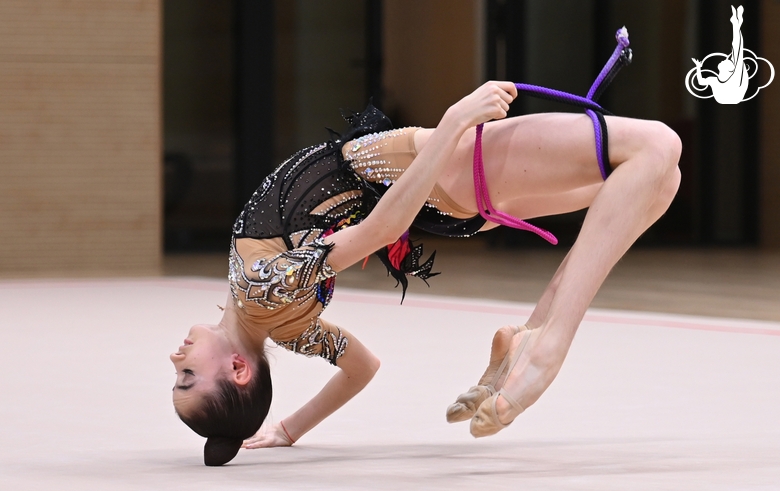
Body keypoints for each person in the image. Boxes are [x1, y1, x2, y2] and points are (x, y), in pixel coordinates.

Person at [170, 31, 681, 465]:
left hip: (448, 202)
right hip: (440, 171)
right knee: (659, 146)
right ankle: (551, 344)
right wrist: (457, 120)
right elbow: (380, 229)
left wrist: (289, 429)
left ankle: (529, 331)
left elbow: (362, 366)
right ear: (238, 371)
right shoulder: (262, 291)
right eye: (188, 375)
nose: (177, 357)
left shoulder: (285, 327)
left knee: (658, 184)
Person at [692, 5, 748, 104]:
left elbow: (737, 49)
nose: (725, 59)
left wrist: (736, 26)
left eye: (728, 61)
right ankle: (736, 23)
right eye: (729, 60)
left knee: (737, 50)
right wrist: (698, 67)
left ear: (729, 70)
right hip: (728, 97)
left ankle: (736, 23)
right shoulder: (714, 80)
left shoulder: (734, 78)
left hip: (733, 96)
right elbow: (700, 82)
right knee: (736, 51)